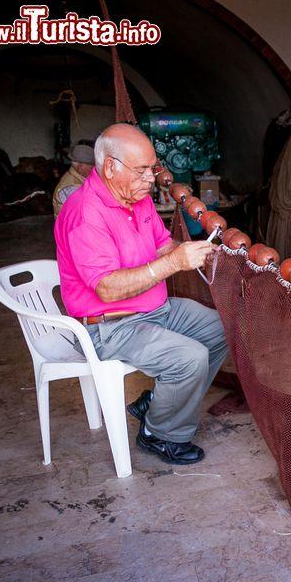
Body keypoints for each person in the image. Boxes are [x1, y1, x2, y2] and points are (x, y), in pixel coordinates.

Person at [54, 123, 227, 465]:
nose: (151, 178)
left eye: (153, 168)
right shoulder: (84, 214)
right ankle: (159, 434)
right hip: (108, 325)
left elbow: (162, 245)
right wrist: (174, 263)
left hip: (153, 309)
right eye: (142, 170)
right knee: (188, 357)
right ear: (110, 167)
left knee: (219, 329)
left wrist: (187, 250)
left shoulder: (137, 198)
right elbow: (106, 287)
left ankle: (162, 402)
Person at [52, 144, 95, 217]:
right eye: (91, 167)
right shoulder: (72, 187)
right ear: (81, 167)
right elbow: (89, 213)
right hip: (71, 227)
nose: (94, 170)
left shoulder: (77, 177)